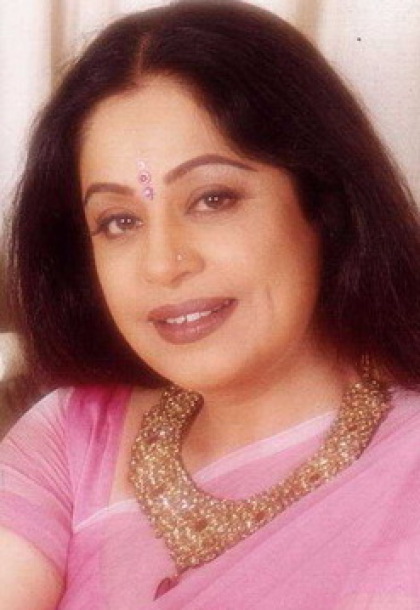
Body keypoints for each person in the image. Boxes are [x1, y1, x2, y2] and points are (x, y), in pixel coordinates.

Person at [1, 0, 420, 607]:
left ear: (325, 206)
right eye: (119, 221)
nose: (163, 264)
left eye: (213, 199)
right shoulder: (73, 438)